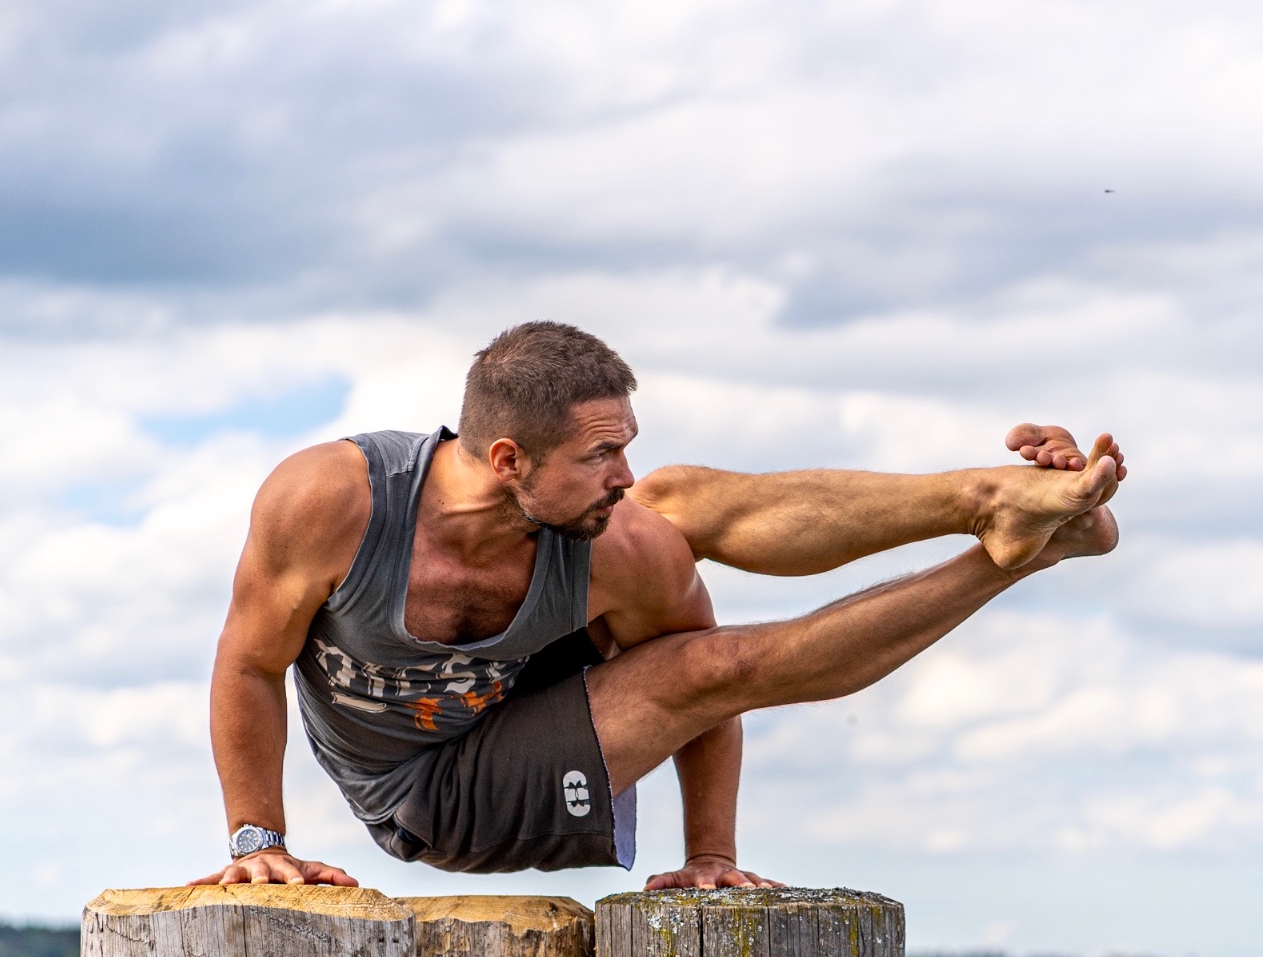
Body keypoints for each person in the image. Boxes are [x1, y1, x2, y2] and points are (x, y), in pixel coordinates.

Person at [192, 320, 1123, 890]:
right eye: (598, 454)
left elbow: (708, 696)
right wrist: (257, 839)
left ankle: (988, 501)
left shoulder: (613, 543)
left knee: (673, 503)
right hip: (427, 793)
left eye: (621, 445)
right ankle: (1009, 561)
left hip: (528, 702)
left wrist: (710, 852)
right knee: (682, 586)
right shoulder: (331, 501)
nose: (620, 471)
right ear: (508, 457)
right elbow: (248, 663)